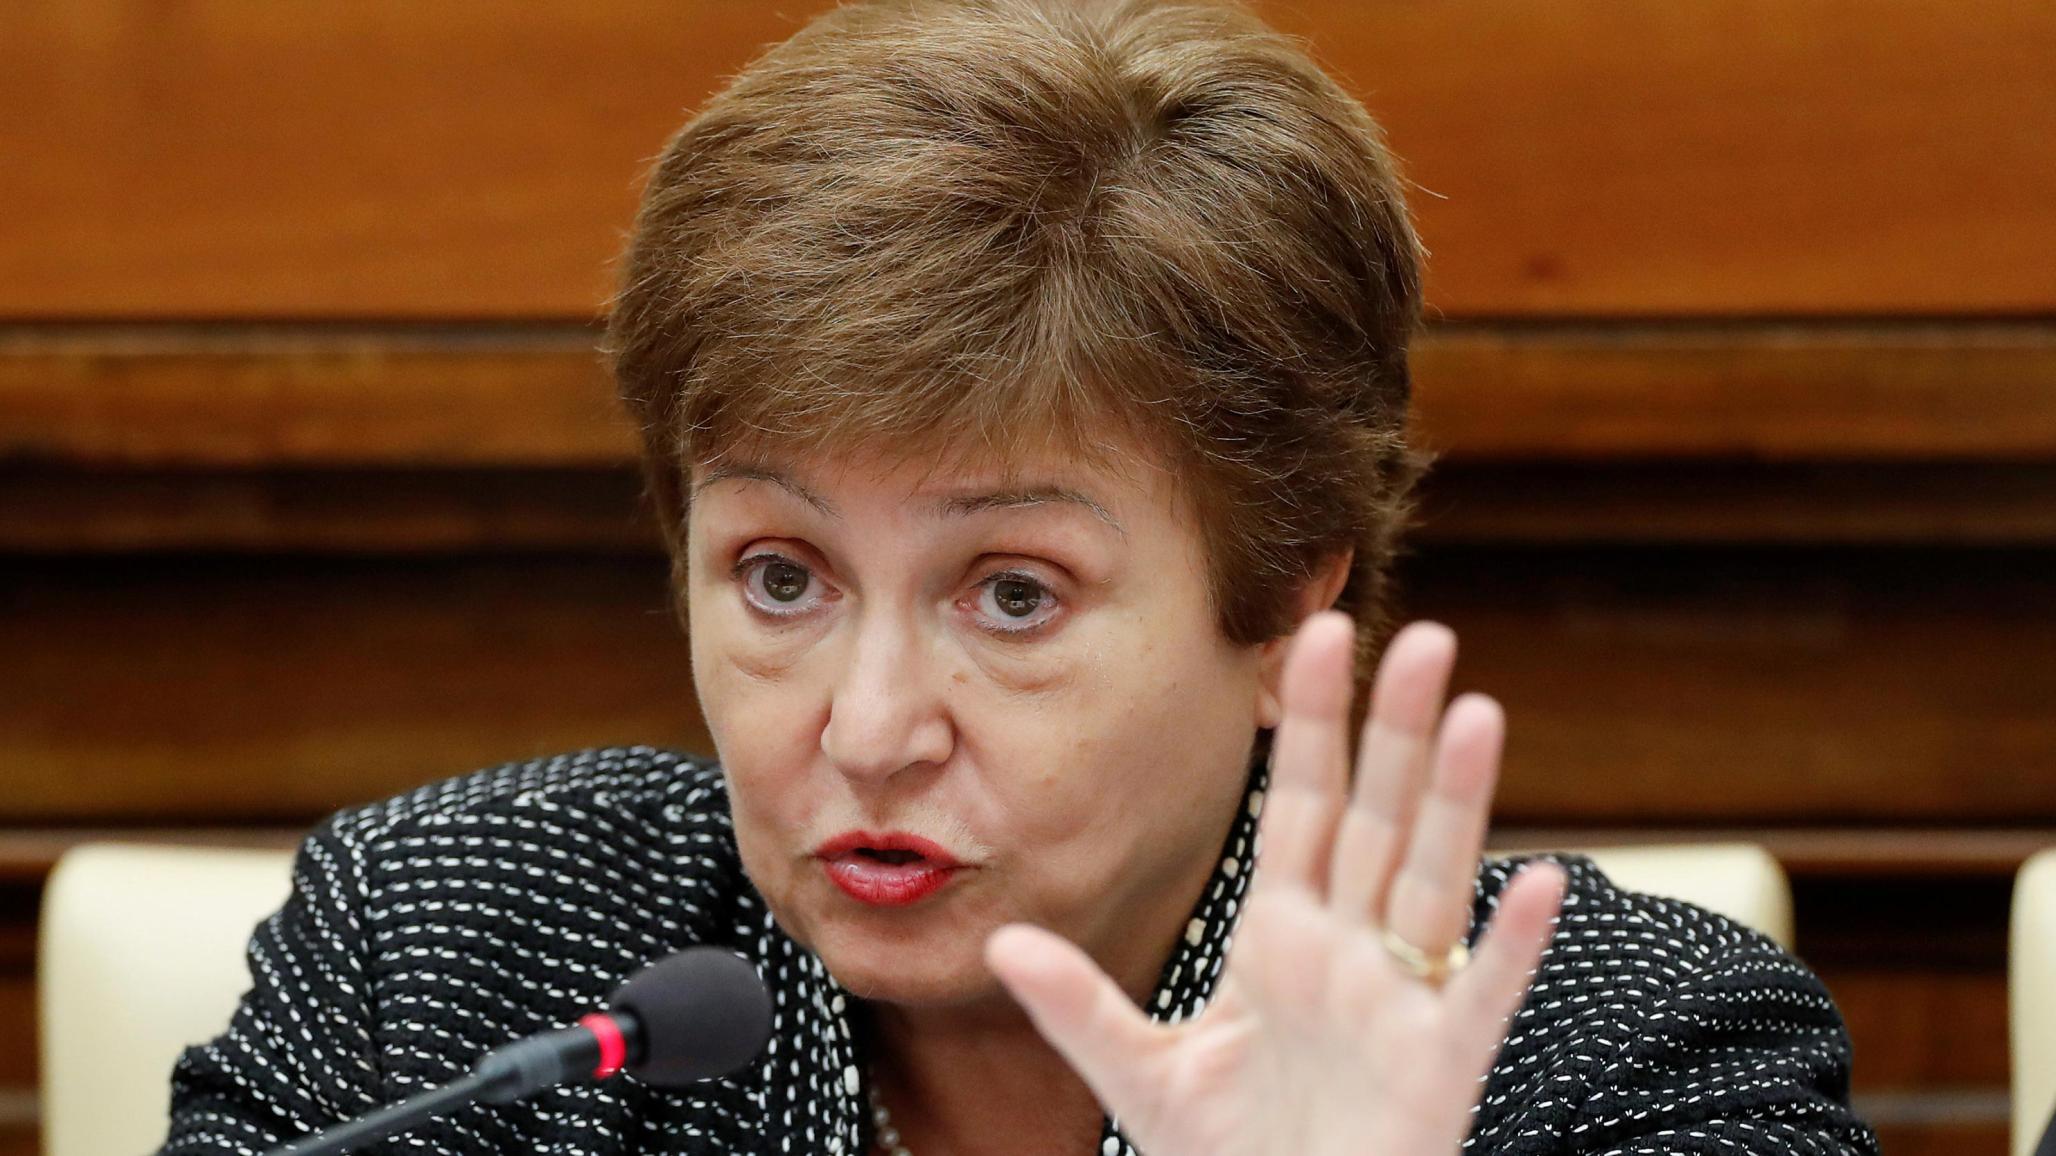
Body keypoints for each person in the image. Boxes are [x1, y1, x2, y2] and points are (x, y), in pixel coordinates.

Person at [160, 0, 1879, 1153]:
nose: (873, 729)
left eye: (1014, 595)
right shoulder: (453, 962)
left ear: (1287, 602)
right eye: (780, 575)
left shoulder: (1630, 1055)